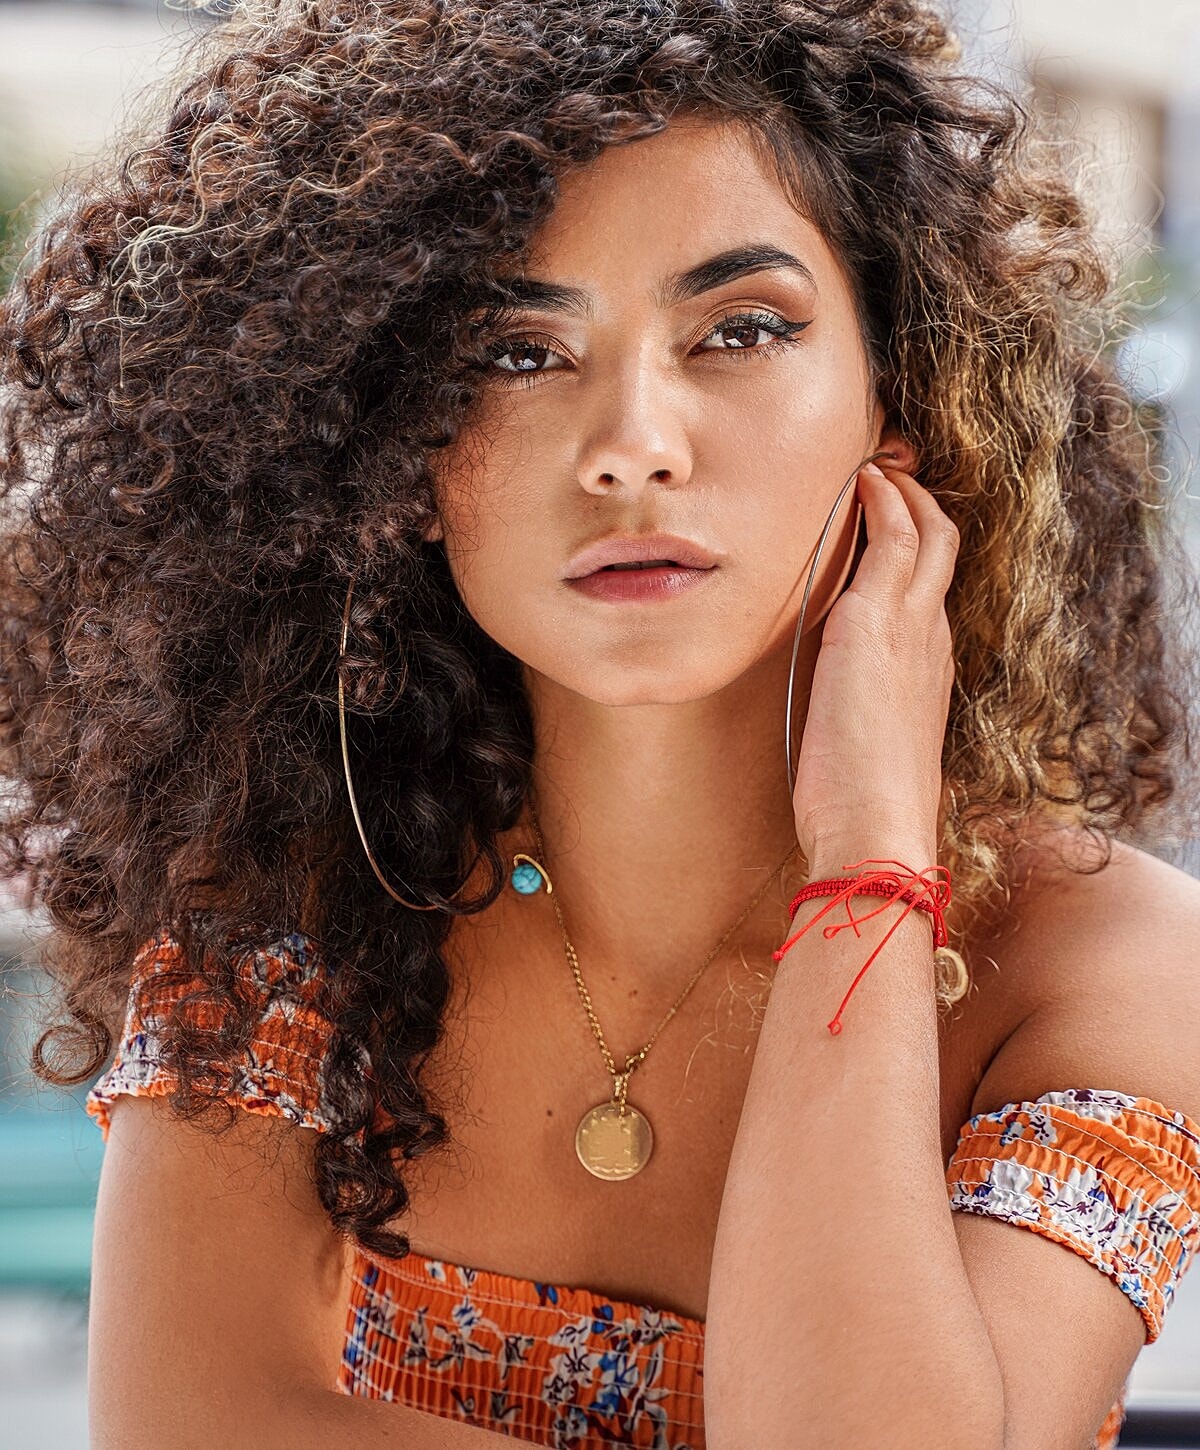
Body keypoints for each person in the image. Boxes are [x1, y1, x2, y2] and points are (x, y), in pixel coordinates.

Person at [1, 1, 1198, 1446]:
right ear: (393, 453)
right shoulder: (298, 897)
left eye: (741, 330)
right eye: (518, 350)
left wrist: (870, 862)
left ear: (902, 404)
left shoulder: (1107, 965)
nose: (633, 445)